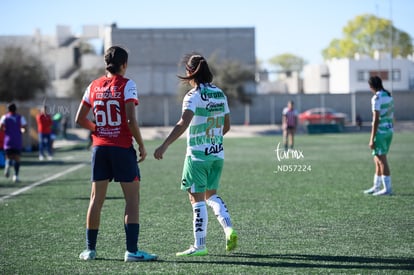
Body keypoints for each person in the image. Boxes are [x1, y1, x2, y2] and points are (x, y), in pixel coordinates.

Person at [75, 46, 157, 262]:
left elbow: (80, 119)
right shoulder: (127, 84)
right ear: (124, 64)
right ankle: (131, 251)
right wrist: (141, 144)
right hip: (121, 148)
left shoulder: (93, 86)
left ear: (105, 64)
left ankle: (90, 250)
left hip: (99, 148)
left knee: (96, 199)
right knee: (132, 199)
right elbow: (130, 120)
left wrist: (99, 130)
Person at [154, 53, 237, 256]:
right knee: (212, 195)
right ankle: (229, 228)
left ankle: (199, 246)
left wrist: (164, 145)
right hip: (217, 154)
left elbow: (183, 122)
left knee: (196, 200)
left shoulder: (193, 96)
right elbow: (226, 126)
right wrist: (214, 139)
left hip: (197, 157)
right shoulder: (220, 93)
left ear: (190, 72)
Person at [364, 76, 394, 196]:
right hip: (389, 131)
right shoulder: (388, 95)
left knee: (382, 160)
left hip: (381, 132)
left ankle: (387, 189)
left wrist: (372, 138)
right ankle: (376, 187)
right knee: (377, 159)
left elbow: (376, 119)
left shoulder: (376, 98)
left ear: (371, 86)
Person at [0, 103, 27, 182]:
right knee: (17, 158)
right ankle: (16, 176)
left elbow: (1, 127)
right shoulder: (20, 117)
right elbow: (24, 128)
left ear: (8, 109)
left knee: (8, 157)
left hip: (8, 140)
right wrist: (22, 131)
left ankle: (7, 165)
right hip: (17, 140)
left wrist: (5, 130)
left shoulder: (5, 117)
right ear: (15, 109)